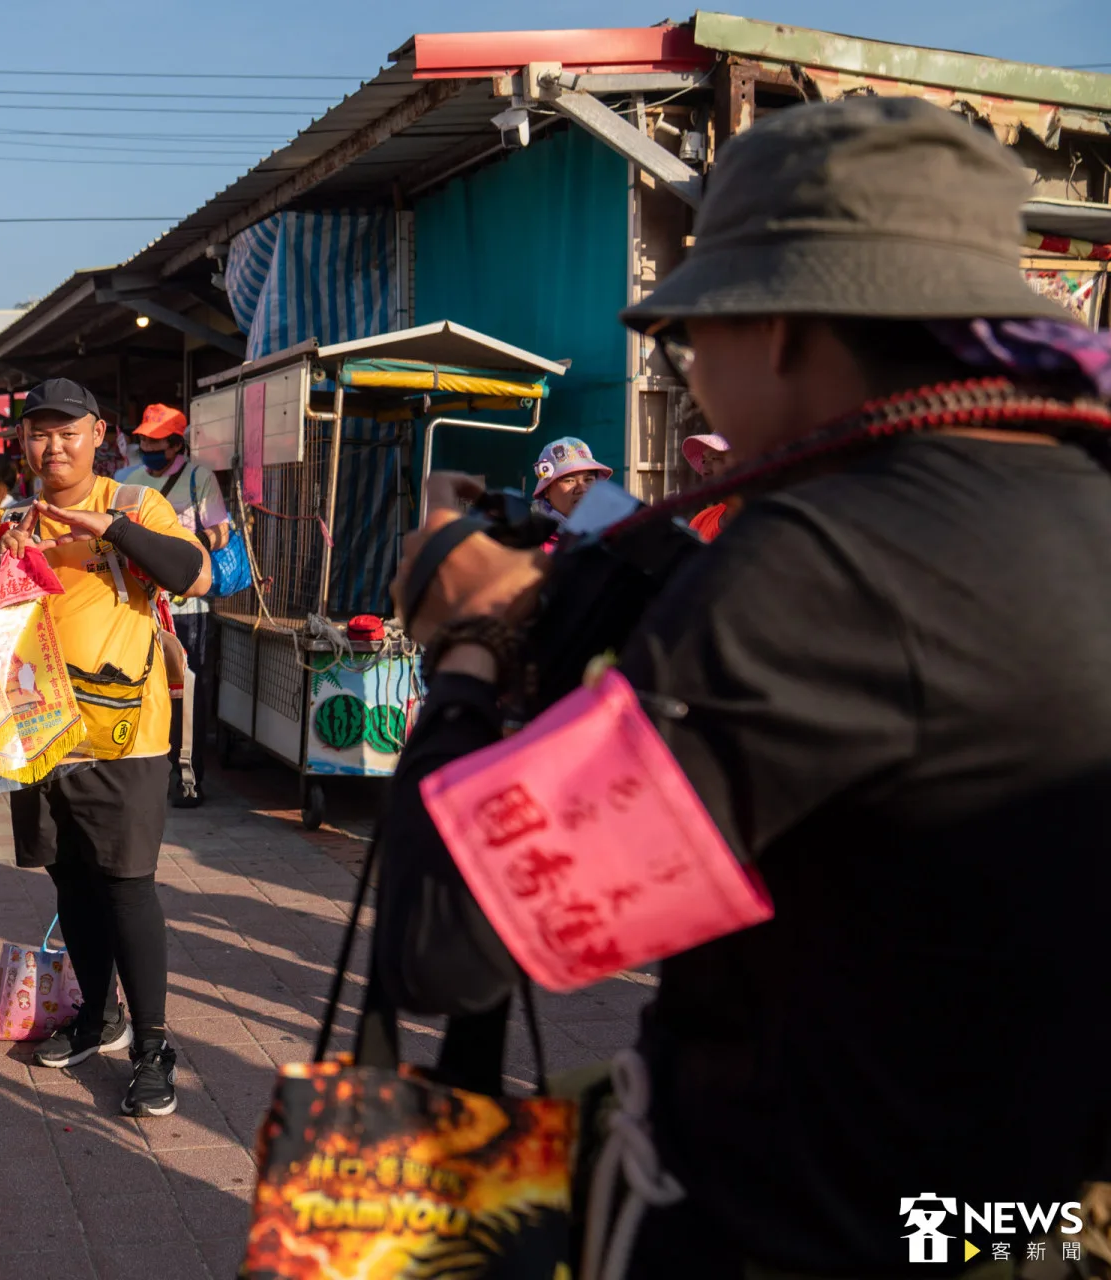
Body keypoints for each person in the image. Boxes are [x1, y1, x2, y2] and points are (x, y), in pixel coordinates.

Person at [383, 97, 1111, 1278]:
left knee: (452, 1223)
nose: (693, 376)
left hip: (796, 1220)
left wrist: (469, 644)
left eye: (689, 340)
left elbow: (449, 945)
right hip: (1025, 1210)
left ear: (776, 325)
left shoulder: (830, 561)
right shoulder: (1070, 497)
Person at [0, 378, 209, 1117]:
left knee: (127, 885)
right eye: (37, 433)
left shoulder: (136, 503)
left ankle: (153, 1045)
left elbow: (192, 573)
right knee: (70, 881)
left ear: (97, 432)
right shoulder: (9, 516)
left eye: (66, 431)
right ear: (22, 443)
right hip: (40, 733)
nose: (51, 446)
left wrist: (105, 527)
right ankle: (96, 1016)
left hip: (123, 736)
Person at [115, 404, 231, 809]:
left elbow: (221, 531)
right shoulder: (125, 481)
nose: (146, 445)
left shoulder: (199, 478)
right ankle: (141, 773)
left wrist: (182, 546)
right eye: (143, 438)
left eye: (155, 439)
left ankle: (187, 777)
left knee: (188, 693)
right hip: (139, 606)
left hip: (187, 610)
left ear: (175, 443)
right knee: (138, 687)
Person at [528, 435, 612, 523]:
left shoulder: (607, 529)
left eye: (588, 480)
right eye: (569, 480)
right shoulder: (530, 533)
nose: (582, 489)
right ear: (546, 490)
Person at [680, 431, 735, 541]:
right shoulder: (701, 520)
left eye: (713, 458)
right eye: (704, 461)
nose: (705, 471)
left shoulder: (763, 523)